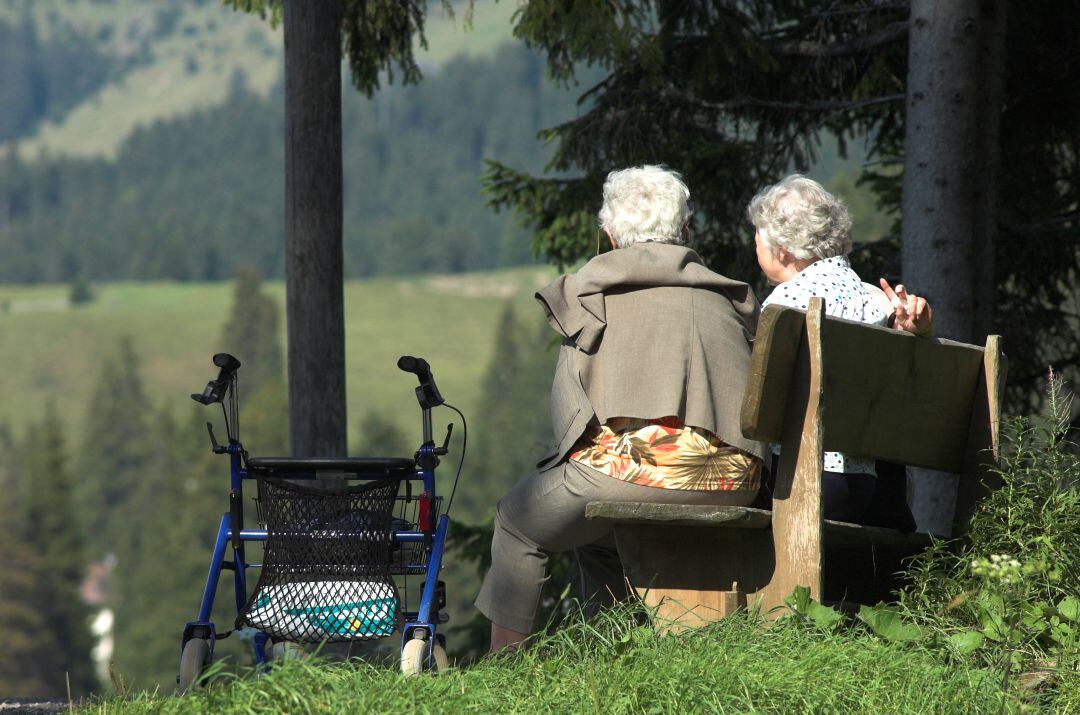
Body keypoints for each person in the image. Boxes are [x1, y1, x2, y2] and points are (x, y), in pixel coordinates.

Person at [474, 166, 769, 652]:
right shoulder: (730, 298)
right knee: (597, 534)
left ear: (608, 236)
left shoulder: (591, 293)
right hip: (737, 480)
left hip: (634, 472)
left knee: (516, 521)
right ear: (686, 231)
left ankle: (503, 669)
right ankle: (617, 655)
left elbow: (571, 411)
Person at [747, 174, 928, 527]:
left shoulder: (785, 304)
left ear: (782, 249)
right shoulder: (876, 299)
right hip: (871, 484)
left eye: (758, 239)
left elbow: (763, 409)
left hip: (804, 479)